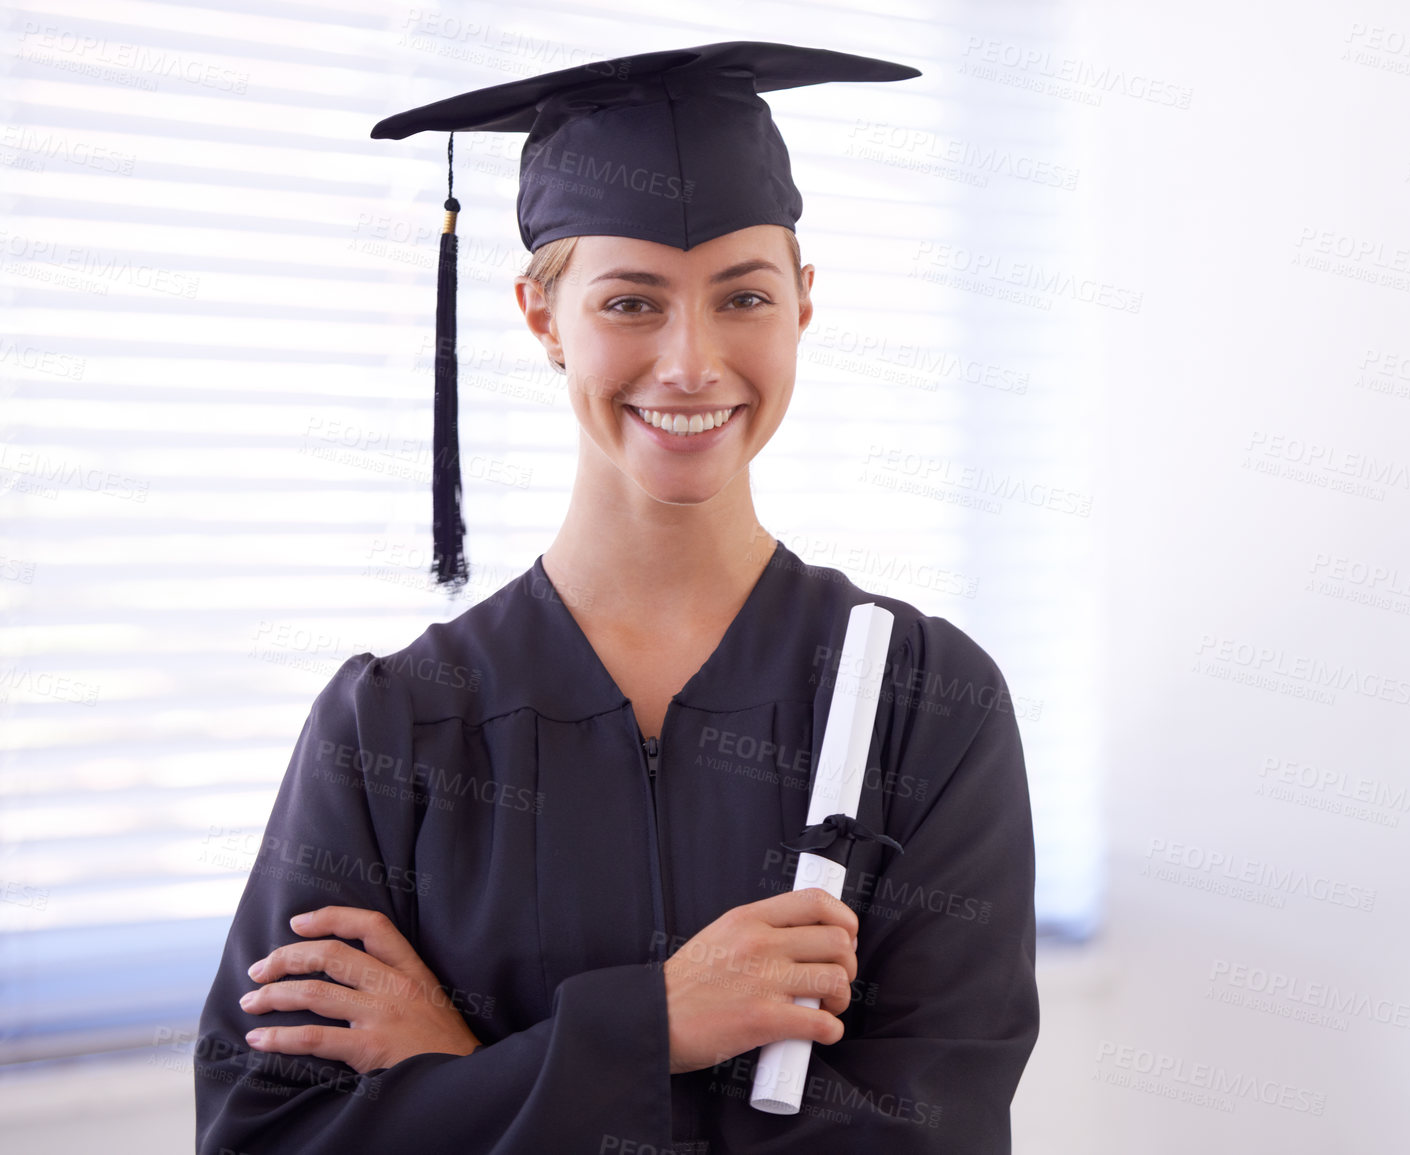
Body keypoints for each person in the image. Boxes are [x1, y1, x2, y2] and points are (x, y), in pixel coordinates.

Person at [193, 41, 1039, 1154]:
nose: (691, 362)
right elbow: (268, 1135)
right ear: (544, 318)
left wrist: (463, 1078)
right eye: (632, 302)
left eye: (742, 295)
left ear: (803, 305)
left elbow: (929, 1140)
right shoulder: (395, 724)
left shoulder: (927, 704)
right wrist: (659, 1024)